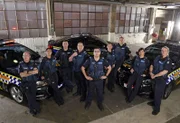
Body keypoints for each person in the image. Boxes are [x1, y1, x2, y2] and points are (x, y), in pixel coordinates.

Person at [148, 46, 172, 115]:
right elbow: (152, 65)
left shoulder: (168, 61)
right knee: (154, 91)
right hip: (154, 77)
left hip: (161, 79)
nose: (163, 52)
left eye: (165, 51)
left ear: (167, 52)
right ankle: (154, 102)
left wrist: (154, 75)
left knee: (158, 94)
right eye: (162, 50)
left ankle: (157, 109)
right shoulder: (158, 57)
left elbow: (165, 71)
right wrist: (150, 72)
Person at [18, 51, 40, 116]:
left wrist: (26, 72)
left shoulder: (33, 63)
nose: (26, 57)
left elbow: (36, 71)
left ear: (30, 57)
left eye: (27, 55)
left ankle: (34, 109)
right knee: (29, 98)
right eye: (24, 56)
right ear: (22, 57)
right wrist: (31, 72)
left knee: (33, 97)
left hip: (33, 83)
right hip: (25, 84)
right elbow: (21, 75)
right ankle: (33, 110)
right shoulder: (20, 64)